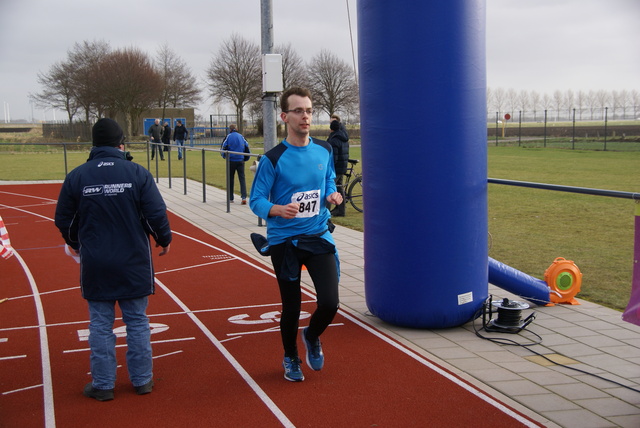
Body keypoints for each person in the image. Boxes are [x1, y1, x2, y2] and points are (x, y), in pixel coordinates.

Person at [55, 118, 172, 401]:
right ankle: (142, 380)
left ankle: (104, 384)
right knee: (137, 321)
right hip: (133, 260)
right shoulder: (137, 172)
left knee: (100, 324)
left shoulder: (77, 176)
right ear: (121, 144)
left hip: (96, 261)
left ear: (93, 145)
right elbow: (155, 214)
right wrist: (164, 239)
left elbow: (64, 220)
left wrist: (75, 243)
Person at [249, 87, 343, 382]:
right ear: (284, 116)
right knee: (292, 306)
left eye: (309, 111)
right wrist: (277, 210)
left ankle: (312, 335)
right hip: (285, 242)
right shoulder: (273, 158)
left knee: (330, 302)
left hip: (317, 235)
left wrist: (332, 194)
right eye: (299, 111)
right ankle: (290, 357)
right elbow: (256, 200)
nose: (306, 116)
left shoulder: (324, 150)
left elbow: (328, 179)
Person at [220, 124, 250, 204]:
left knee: (230, 179)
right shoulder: (241, 136)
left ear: (230, 129)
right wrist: (246, 158)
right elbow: (247, 147)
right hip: (240, 160)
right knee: (242, 179)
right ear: (236, 128)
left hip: (231, 160)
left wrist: (224, 157)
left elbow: (223, 148)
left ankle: (230, 198)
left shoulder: (228, 137)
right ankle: (244, 197)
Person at [327, 118, 350, 216]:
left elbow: (334, 157)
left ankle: (326, 211)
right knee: (340, 188)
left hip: (336, 168)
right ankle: (341, 210)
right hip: (342, 166)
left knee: (329, 188)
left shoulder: (334, 139)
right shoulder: (343, 137)